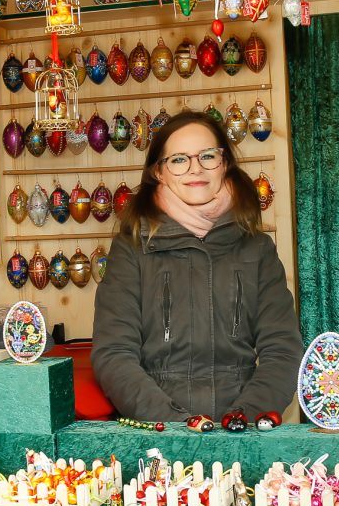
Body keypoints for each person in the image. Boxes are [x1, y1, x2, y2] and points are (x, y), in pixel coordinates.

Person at [92, 111, 302, 422]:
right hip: (160, 435)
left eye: (207, 156)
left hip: (245, 433)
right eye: (178, 159)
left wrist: (242, 420)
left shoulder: (256, 249)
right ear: (159, 173)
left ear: (225, 164)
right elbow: (113, 355)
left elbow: (282, 351)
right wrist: (176, 425)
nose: (196, 168)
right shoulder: (132, 248)